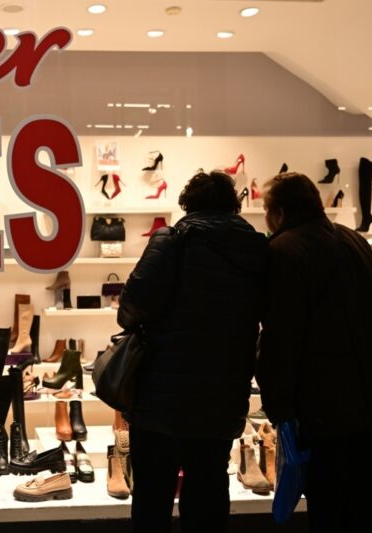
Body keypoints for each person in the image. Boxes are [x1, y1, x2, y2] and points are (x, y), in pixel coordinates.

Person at [257, 173, 372, 532]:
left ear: (279, 212)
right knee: (363, 501)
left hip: (323, 401)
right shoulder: (352, 239)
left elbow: (282, 335)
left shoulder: (284, 250)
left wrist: (278, 403)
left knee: (328, 504)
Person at [118, 171, 268, 532]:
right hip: (222, 395)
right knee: (209, 491)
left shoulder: (172, 240)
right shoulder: (255, 249)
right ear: (233, 205)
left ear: (188, 203)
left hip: (161, 396)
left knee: (153, 495)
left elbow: (131, 309)